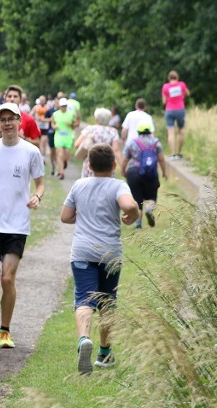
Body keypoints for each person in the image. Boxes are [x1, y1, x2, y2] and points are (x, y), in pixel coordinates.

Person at [61, 144, 140, 375]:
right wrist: (131, 215)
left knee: (84, 299)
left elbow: (65, 216)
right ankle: (104, 353)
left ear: (89, 165)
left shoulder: (79, 184)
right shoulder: (118, 185)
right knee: (107, 301)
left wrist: (83, 214)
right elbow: (129, 205)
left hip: (83, 252)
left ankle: (84, 339)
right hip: (110, 253)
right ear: (114, 165)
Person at [0, 102, 45, 349]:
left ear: (19, 121)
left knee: (7, 279)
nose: (5, 123)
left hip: (17, 224)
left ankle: (5, 330)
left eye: (10, 119)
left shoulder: (30, 152)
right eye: (1, 119)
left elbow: (40, 183)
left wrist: (37, 196)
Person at [121, 122, 168, 229]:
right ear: (150, 131)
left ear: (138, 131)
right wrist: (164, 172)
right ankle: (149, 209)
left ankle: (138, 224)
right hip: (151, 173)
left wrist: (124, 171)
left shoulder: (132, 142)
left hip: (134, 172)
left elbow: (125, 160)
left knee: (137, 199)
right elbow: (161, 159)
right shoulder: (156, 143)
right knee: (151, 196)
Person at [74, 107, 122, 177]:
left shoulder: (89, 129)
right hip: (107, 165)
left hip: (91, 163)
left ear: (96, 119)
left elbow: (77, 144)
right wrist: (122, 165)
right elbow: (116, 149)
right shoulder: (113, 132)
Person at [162, 70, 191, 159]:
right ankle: (178, 153)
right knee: (180, 131)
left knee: (170, 132)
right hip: (180, 109)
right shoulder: (181, 84)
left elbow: (164, 101)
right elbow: (188, 93)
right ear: (177, 77)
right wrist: (181, 95)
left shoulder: (165, 87)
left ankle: (172, 154)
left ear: (169, 78)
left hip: (169, 110)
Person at [51, 97, 76, 179]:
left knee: (66, 154)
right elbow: (52, 124)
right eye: (62, 106)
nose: (63, 107)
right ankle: (61, 173)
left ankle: (65, 161)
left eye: (65, 106)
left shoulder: (71, 114)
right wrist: (54, 127)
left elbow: (76, 124)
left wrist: (71, 125)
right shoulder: (55, 114)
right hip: (58, 137)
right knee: (60, 154)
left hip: (68, 137)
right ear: (59, 106)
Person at [31, 95, 51, 161]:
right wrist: (34, 120)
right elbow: (30, 116)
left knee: (43, 143)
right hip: (37, 128)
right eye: (41, 100)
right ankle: (38, 156)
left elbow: (52, 118)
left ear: (45, 101)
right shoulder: (36, 107)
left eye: (43, 100)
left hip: (45, 128)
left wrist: (45, 120)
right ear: (39, 100)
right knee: (37, 143)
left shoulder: (48, 107)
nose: (42, 101)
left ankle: (43, 158)